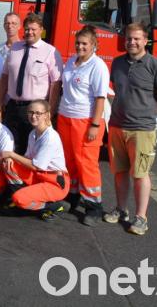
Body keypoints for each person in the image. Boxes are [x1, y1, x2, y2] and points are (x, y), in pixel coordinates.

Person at [104, 22, 157, 235]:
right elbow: (116, 90)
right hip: (116, 126)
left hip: (142, 129)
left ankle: (141, 217)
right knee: (119, 172)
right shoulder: (117, 63)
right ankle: (121, 209)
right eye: (128, 38)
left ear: (145, 40)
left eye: (136, 39)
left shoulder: (155, 65)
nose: (131, 42)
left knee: (140, 174)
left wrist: (146, 114)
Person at [58, 26, 110, 226]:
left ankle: (93, 206)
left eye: (84, 44)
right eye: (78, 43)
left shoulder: (98, 66)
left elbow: (100, 98)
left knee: (86, 163)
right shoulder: (72, 62)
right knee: (69, 159)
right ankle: (72, 195)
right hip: (66, 116)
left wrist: (95, 125)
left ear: (94, 45)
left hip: (86, 120)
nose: (80, 46)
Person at [0, 13, 63, 154]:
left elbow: (55, 84)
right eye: (27, 29)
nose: (29, 32)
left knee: (32, 150)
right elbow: (5, 76)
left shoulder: (50, 51)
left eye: (33, 29)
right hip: (12, 107)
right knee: (9, 147)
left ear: (41, 30)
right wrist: (0, 101)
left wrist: (50, 111)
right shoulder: (14, 48)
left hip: (35, 110)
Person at [0, 100, 70, 222]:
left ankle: (53, 206)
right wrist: (10, 158)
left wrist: (11, 154)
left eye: (38, 113)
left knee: (19, 199)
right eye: (30, 112)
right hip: (39, 177)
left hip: (54, 182)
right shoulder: (33, 133)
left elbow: (37, 166)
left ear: (47, 115)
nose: (33, 116)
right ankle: (25, 198)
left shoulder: (50, 137)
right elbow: (27, 159)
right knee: (8, 164)